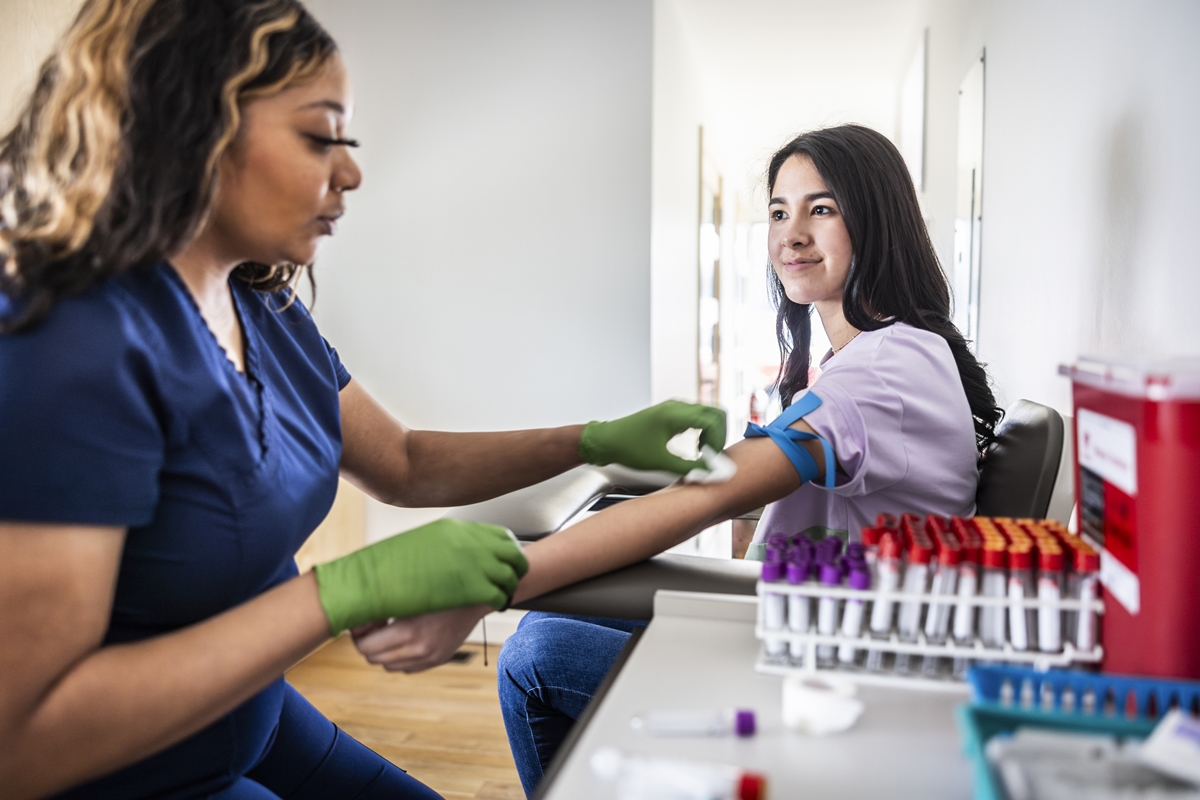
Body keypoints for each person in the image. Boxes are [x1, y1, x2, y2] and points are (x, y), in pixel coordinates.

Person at [0, 2, 727, 798]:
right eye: (321, 136)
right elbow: (23, 741)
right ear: (193, 123)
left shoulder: (265, 306)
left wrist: (594, 440)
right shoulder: (70, 340)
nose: (351, 172)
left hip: (254, 713)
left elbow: (406, 463)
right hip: (130, 772)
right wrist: (345, 591)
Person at [399, 123, 1000, 796]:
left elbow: (717, 497)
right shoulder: (878, 356)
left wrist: (494, 585)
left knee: (534, 655)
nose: (791, 233)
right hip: (819, 623)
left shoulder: (883, 370)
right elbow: (742, 488)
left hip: (843, 669)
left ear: (877, 219)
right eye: (779, 211)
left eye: (821, 209)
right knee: (546, 626)